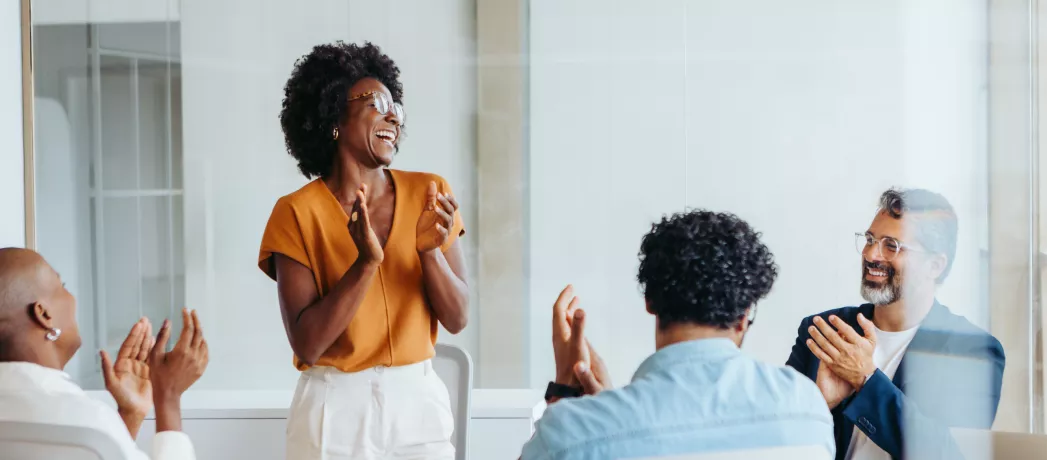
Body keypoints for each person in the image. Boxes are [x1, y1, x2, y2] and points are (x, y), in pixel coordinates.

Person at [261, 41, 469, 460]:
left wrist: (428, 253)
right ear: (334, 116)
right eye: (376, 102)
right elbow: (307, 344)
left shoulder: (430, 193)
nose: (392, 115)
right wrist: (366, 264)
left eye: (396, 107)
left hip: (418, 408)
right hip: (333, 411)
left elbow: (458, 317)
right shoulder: (296, 213)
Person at [520, 210, 835, 460]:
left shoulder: (571, 433)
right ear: (743, 317)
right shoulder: (806, 409)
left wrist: (565, 394)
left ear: (650, 301)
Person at [787, 189, 1006, 460]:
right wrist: (819, 405)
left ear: (934, 265)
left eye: (891, 245)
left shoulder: (973, 351)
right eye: (870, 239)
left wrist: (865, 380)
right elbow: (777, 439)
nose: (871, 255)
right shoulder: (824, 330)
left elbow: (948, 454)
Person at [0, 247, 208, 459]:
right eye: (62, 286)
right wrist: (168, 398)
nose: (72, 297)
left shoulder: (85, 425)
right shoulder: (86, 421)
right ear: (44, 314)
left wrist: (130, 414)